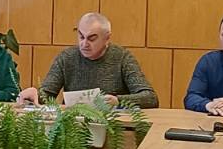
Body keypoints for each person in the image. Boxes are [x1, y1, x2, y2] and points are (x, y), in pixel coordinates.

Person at [17, 12, 159, 108]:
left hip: (112, 128)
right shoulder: (67, 57)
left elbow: (150, 98)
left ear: (107, 38)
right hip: (72, 127)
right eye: (81, 36)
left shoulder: (122, 58)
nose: (84, 43)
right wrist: (35, 95)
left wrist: (118, 101)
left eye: (92, 38)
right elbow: (47, 94)